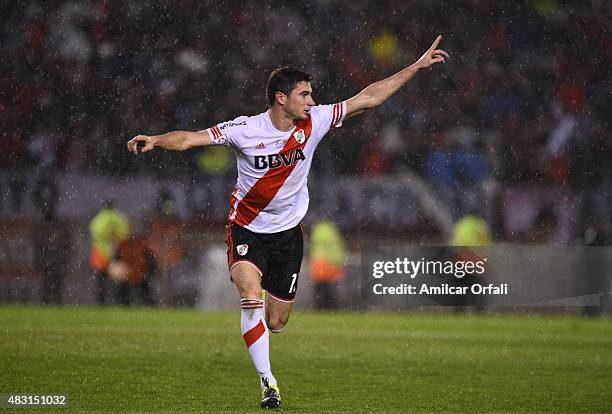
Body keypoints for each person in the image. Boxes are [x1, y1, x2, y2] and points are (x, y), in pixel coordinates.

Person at [127, 35, 448, 409]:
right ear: (282, 98)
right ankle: (268, 383)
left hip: (288, 237)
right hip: (246, 229)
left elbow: (369, 98)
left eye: (312, 95)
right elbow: (188, 140)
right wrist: (155, 139)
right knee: (250, 297)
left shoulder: (315, 121)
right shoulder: (245, 129)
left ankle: (260, 331)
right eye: (305, 94)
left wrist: (414, 67)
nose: (312, 101)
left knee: (276, 321)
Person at [88, 201, 130, 305]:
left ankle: (101, 302)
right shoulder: (118, 216)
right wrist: (114, 237)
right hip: (116, 252)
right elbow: (126, 234)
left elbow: (93, 232)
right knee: (119, 280)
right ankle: (122, 302)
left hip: (101, 252)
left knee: (101, 280)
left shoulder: (100, 218)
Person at [309, 218, 347, 309]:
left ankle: (320, 307)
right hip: (329, 263)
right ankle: (329, 307)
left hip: (318, 262)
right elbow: (336, 249)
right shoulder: (332, 229)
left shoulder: (318, 229)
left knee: (320, 289)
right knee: (329, 289)